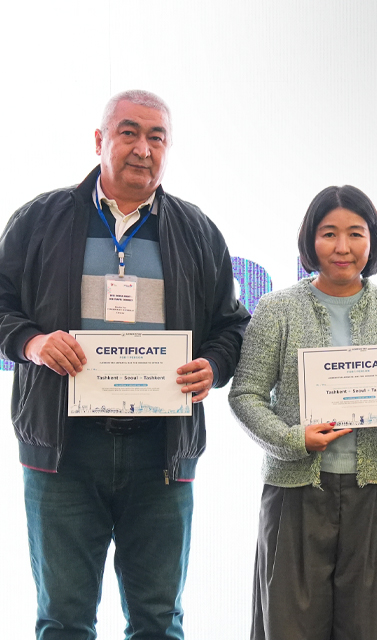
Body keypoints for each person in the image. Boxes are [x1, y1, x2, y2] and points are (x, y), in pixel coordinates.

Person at [0, 90, 250, 639]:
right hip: (63, 452)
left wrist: (212, 366)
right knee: (63, 621)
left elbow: (231, 326)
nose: (143, 148)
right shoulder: (40, 220)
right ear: (100, 140)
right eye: (129, 132)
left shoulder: (196, 230)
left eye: (156, 137)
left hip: (160, 453)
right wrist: (32, 343)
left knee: (158, 621)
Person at [229, 185, 377, 640]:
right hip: (295, 491)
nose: (342, 247)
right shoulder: (277, 309)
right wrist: (293, 439)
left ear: (373, 240)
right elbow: (245, 394)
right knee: (288, 626)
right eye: (329, 233)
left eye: (355, 233)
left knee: (372, 626)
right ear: (311, 240)